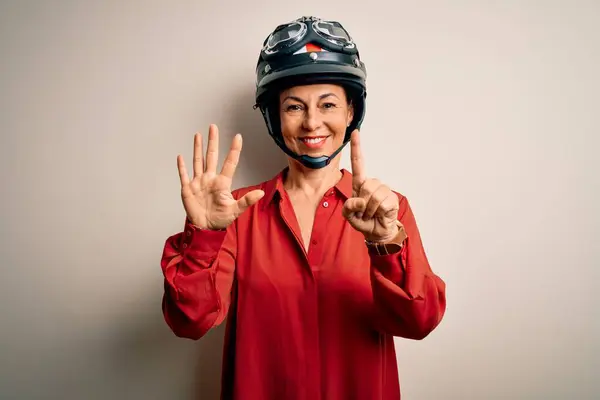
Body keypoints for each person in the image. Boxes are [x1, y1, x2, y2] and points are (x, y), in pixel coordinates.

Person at [160, 16, 446, 400]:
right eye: (294, 107)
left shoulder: (388, 212)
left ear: (349, 112)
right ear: (274, 117)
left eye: (327, 104)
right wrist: (205, 237)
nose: (312, 122)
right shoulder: (236, 214)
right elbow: (190, 321)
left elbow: (419, 321)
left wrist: (387, 244)